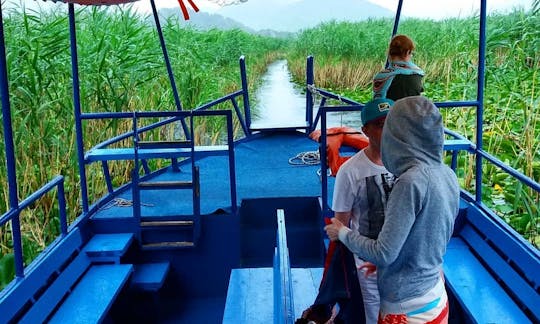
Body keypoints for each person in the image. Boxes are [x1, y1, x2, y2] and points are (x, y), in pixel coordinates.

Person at [325, 96, 460, 323]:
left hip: (405, 306)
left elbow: (383, 254)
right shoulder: (446, 173)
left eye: (391, 126)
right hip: (434, 293)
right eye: (380, 125)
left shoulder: (410, 181)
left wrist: (341, 233)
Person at [298, 98, 396, 324]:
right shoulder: (350, 172)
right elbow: (339, 225)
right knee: (375, 316)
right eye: (381, 125)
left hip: (401, 258)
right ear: (365, 131)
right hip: (368, 262)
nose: (389, 131)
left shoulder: (406, 165)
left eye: (392, 123)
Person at [373, 34, 424, 101]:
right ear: (407, 52)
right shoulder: (418, 74)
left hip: (390, 111)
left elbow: (377, 103)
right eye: (411, 53)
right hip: (413, 111)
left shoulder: (381, 77)